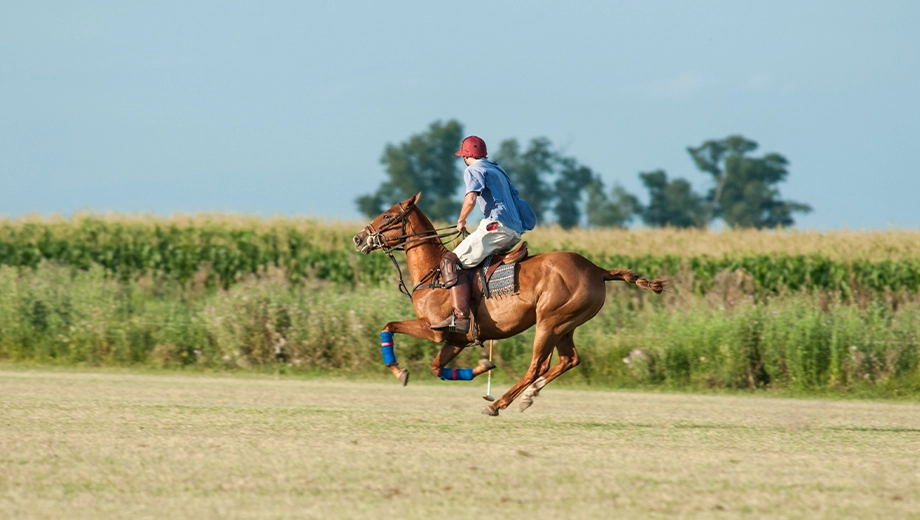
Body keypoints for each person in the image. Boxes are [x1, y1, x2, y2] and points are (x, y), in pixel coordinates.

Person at [430, 135, 536, 334]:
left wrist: (461, 221)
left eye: (463, 156)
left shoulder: (474, 169)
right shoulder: (497, 169)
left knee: (450, 261)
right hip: (514, 231)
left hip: (497, 228)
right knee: (474, 264)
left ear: (466, 156)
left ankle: (461, 318)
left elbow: (471, 199)